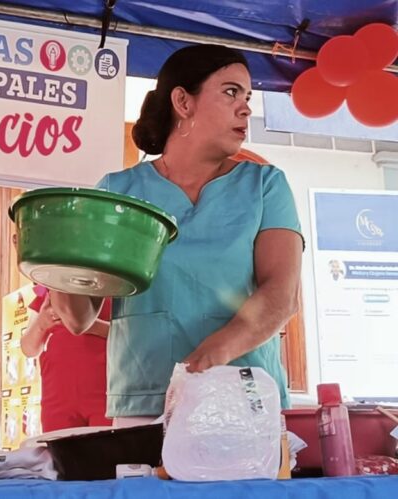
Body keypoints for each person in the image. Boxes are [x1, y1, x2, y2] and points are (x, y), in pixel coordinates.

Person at [50, 44, 304, 426]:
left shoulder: (265, 185)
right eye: (231, 92)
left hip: (245, 394)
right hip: (146, 403)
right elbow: (78, 318)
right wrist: (57, 256)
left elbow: (281, 296)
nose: (246, 107)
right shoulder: (118, 191)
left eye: (248, 96)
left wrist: (206, 361)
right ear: (183, 102)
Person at [21, 285, 112, 432]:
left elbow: (131, 335)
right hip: (57, 399)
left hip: (106, 397)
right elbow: (28, 348)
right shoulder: (50, 292)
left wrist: (88, 325)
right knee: (60, 452)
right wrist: (41, 324)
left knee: (105, 450)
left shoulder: (115, 288)